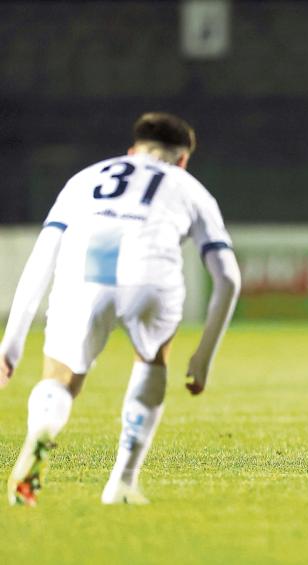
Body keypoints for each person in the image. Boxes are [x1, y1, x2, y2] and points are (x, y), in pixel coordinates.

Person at [0, 112, 241, 506]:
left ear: (132, 152)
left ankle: (42, 429)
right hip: (149, 278)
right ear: (182, 160)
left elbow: (43, 256)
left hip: (84, 273)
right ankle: (122, 483)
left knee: (60, 378)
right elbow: (229, 278)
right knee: (151, 359)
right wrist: (203, 357)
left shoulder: (85, 177)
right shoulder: (189, 187)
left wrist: (11, 341)